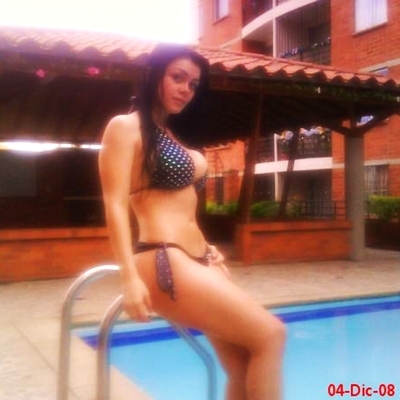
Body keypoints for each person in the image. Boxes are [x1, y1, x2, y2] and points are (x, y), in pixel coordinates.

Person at [99, 43, 286, 400]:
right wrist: (128, 277)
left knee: (241, 361)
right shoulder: (125, 128)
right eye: (178, 77)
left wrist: (207, 247)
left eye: (193, 84)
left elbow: (184, 208)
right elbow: (115, 205)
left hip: (199, 260)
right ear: (154, 75)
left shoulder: (169, 135)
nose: (186, 89)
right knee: (271, 335)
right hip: (163, 259)